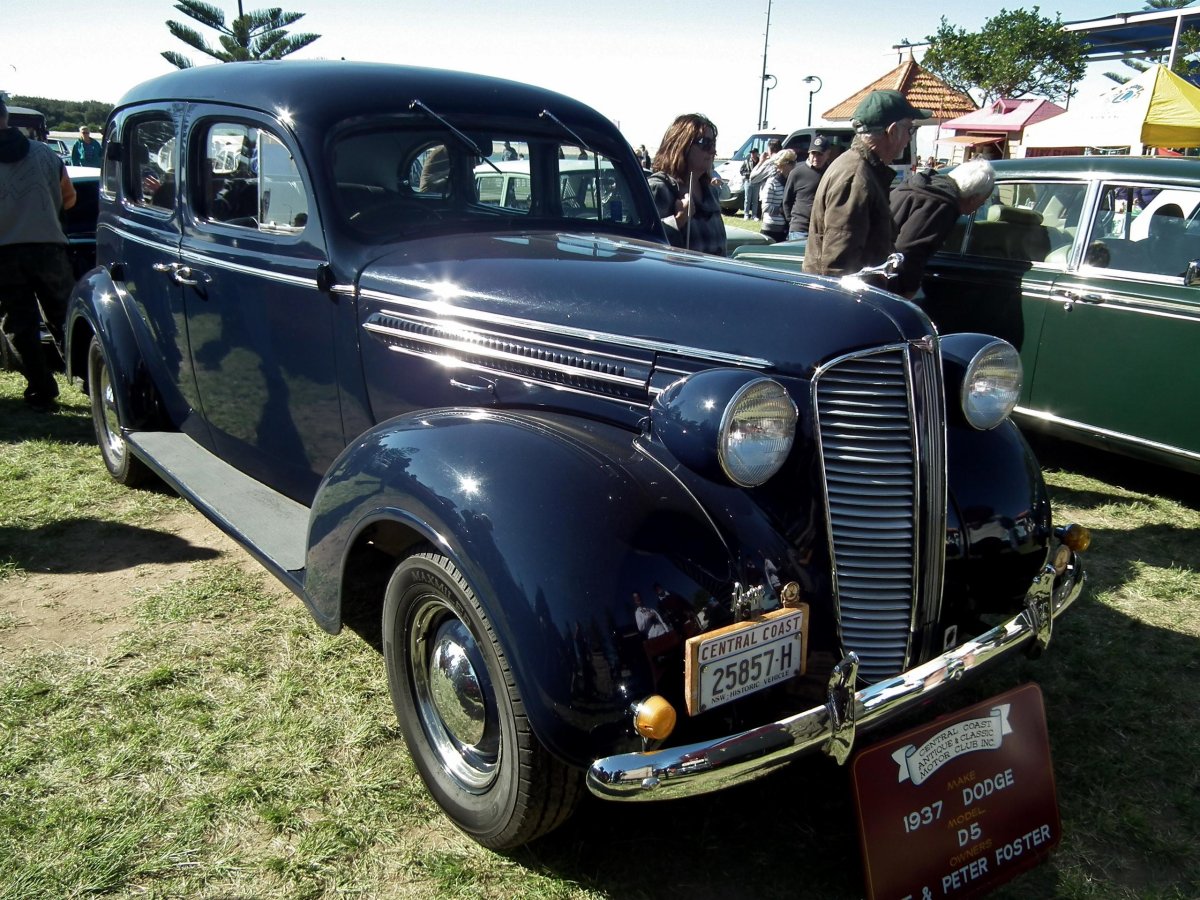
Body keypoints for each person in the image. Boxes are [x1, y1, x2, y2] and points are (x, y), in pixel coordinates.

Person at [803, 90, 930, 285]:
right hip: (846, 306)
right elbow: (837, 268)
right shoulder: (855, 177)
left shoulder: (863, 170)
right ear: (893, 131)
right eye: (910, 130)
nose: (909, 139)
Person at [0, 97, 77, 411]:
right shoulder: (45, 153)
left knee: (20, 324)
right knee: (65, 316)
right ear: (7, 117)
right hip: (49, 246)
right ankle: (89, 379)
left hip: (3, 252)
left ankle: (41, 387)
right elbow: (69, 199)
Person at [889, 157, 994, 298]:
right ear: (973, 198)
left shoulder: (918, 187)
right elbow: (908, 249)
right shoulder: (942, 206)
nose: (981, 206)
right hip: (887, 279)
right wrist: (909, 290)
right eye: (983, 201)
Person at [647, 113, 727, 255]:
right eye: (705, 143)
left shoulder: (711, 192)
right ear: (682, 145)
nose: (713, 151)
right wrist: (678, 220)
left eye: (713, 144)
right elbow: (644, 247)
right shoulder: (658, 189)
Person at [783, 136, 834, 241]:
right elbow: (786, 201)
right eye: (813, 153)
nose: (816, 157)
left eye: (820, 154)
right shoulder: (797, 173)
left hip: (823, 230)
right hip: (800, 230)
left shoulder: (831, 173)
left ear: (827, 154)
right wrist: (793, 221)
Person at [759, 148, 796, 243]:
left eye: (794, 162)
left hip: (786, 228)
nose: (794, 165)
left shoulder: (791, 181)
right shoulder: (772, 181)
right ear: (783, 164)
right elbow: (765, 207)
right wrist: (782, 210)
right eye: (791, 162)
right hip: (771, 229)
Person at [746, 137, 781, 219]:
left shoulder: (771, 162)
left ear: (770, 149)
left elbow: (753, 178)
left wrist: (761, 161)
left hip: (771, 201)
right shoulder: (787, 161)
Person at [741, 147, 761, 220]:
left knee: (755, 200)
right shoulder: (746, 161)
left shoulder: (760, 161)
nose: (752, 154)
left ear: (757, 153)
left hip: (757, 182)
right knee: (747, 199)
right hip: (748, 181)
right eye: (751, 153)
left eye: (753, 152)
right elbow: (741, 171)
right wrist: (747, 174)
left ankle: (754, 215)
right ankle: (746, 214)